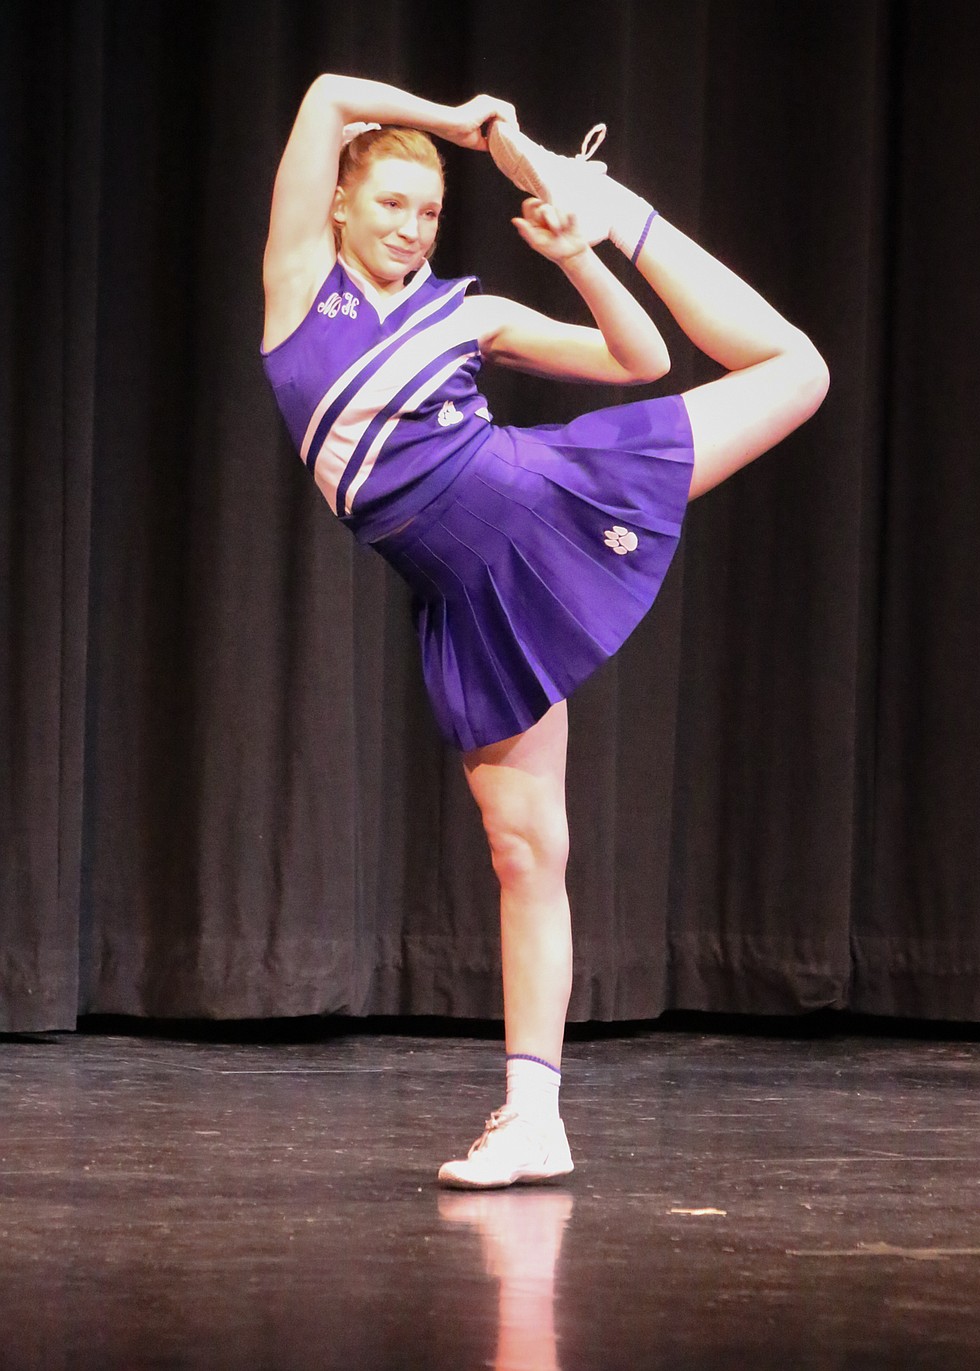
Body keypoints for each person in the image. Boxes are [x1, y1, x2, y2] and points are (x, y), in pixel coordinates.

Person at [261, 73, 829, 1188]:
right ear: (340, 207)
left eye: (428, 212)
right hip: (468, 600)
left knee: (798, 371)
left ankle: (635, 218)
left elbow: (641, 360)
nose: (411, 228)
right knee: (527, 855)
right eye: (390, 207)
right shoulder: (296, 295)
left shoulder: (468, 313)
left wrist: (583, 241)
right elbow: (327, 95)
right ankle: (534, 1118)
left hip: (547, 500)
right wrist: (461, 127)